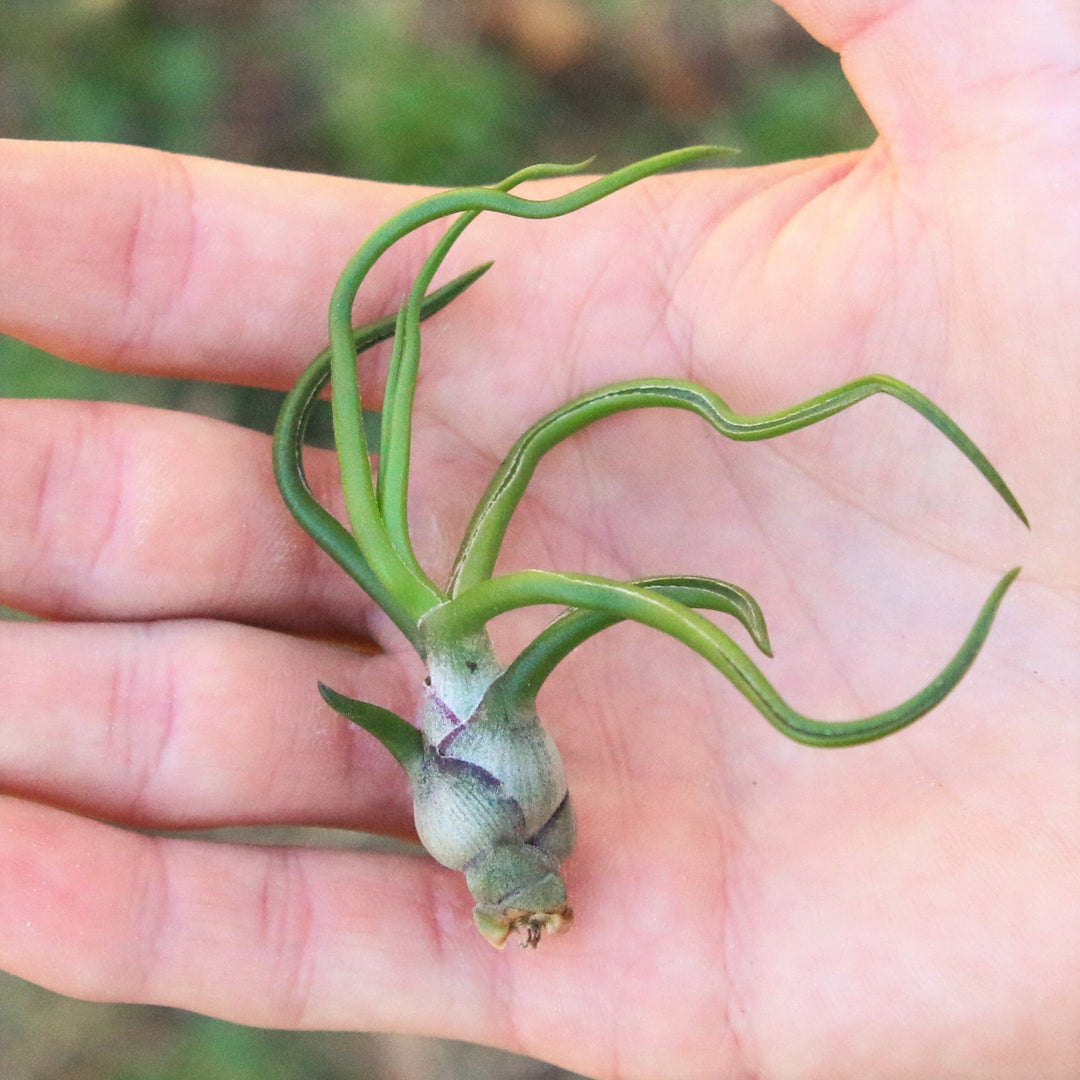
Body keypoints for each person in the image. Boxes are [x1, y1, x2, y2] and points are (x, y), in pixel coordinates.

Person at [0, 1, 1076, 1076]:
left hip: (486, 762)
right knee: (451, 403)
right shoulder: (497, 823)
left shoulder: (494, 818)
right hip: (486, 764)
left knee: (540, 414)